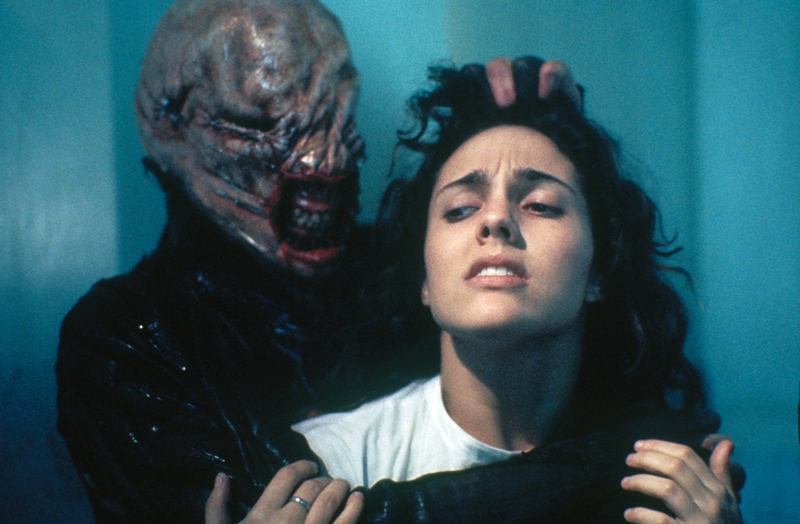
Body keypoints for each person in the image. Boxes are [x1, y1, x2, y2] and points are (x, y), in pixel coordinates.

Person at [55, 0, 617, 522]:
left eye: (338, 117)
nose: (325, 161)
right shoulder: (127, 336)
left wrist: (537, 130)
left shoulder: (399, 269)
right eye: (265, 124)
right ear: (169, 126)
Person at [207, 61, 743, 523]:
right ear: (423, 279)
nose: (495, 220)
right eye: (460, 209)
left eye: (540, 204)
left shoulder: (666, 479)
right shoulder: (329, 465)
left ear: (599, 270)